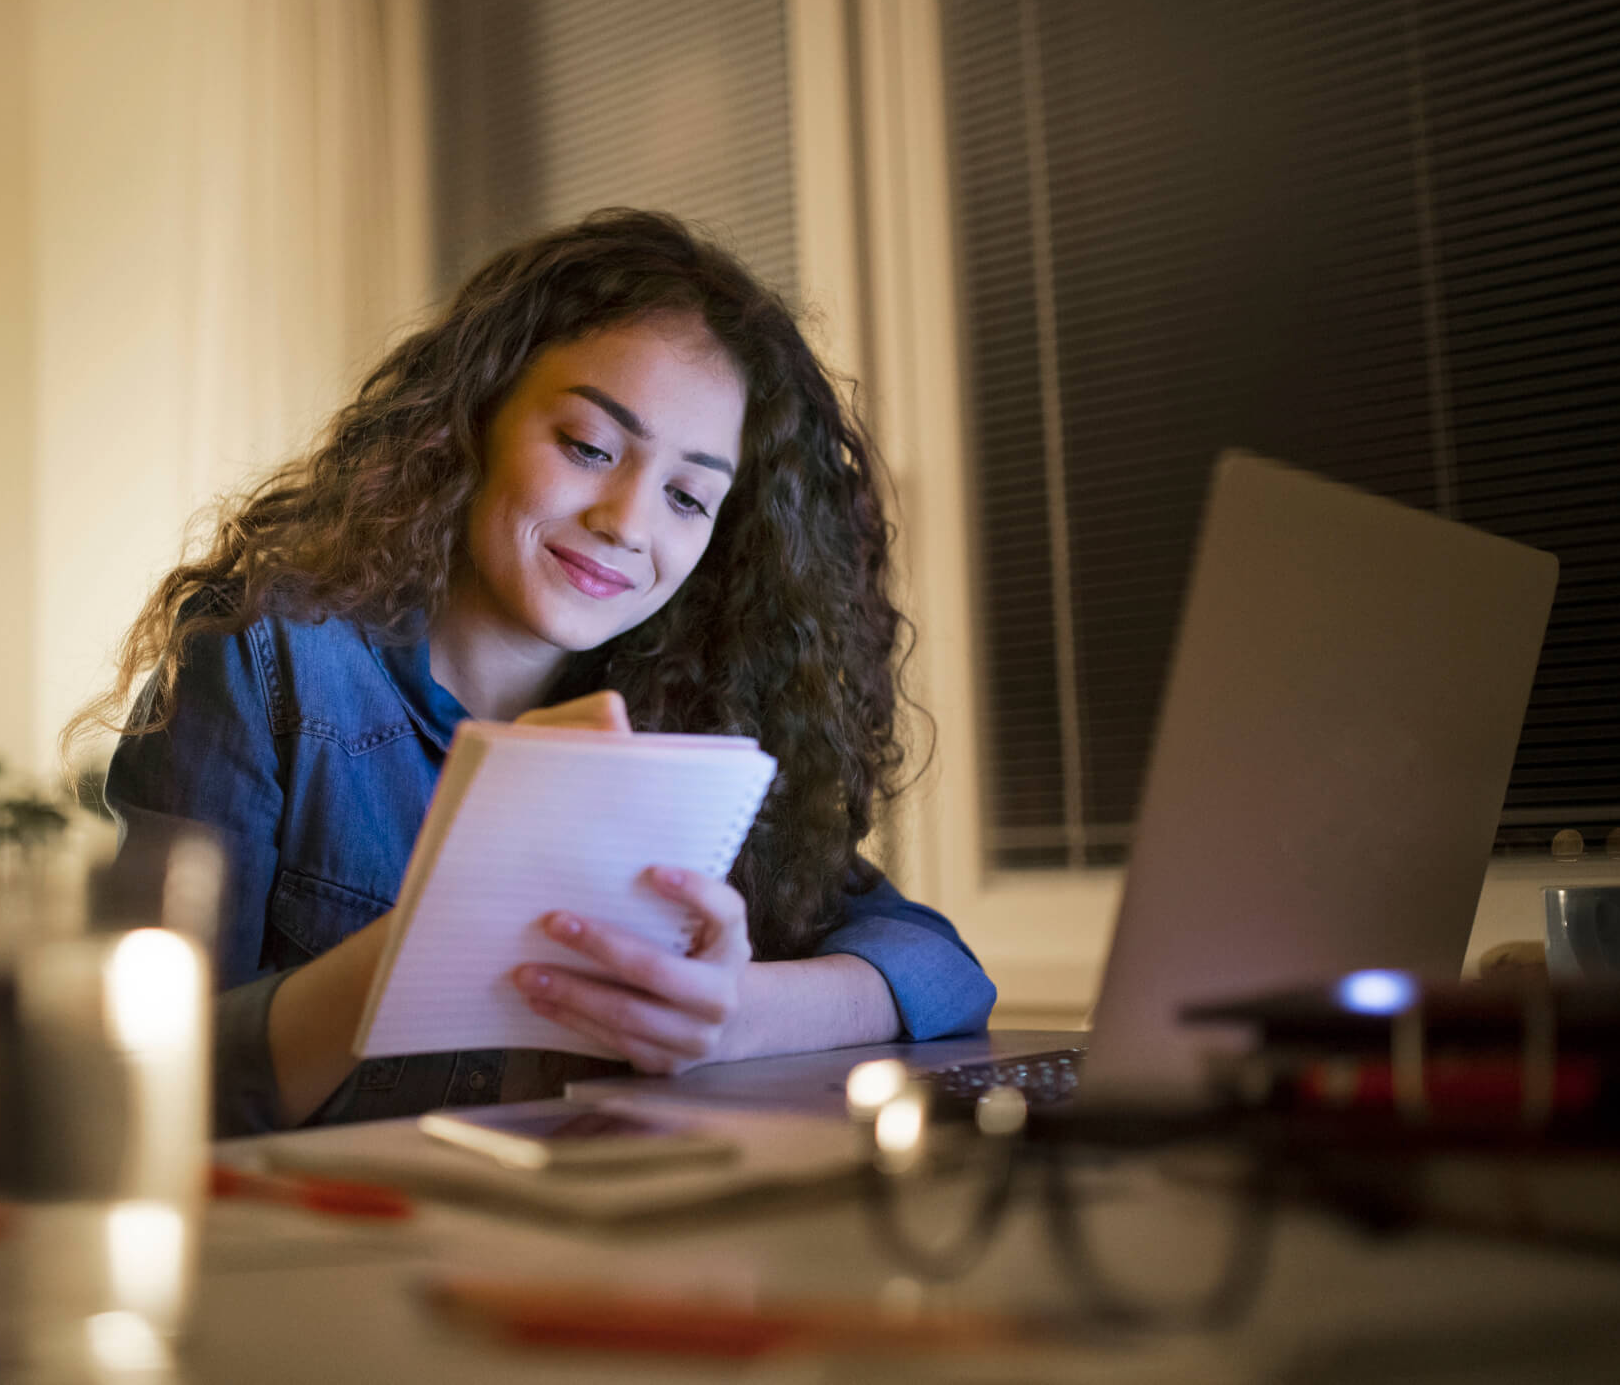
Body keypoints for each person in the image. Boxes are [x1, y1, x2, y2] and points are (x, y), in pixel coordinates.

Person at [70, 209, 995, 1137]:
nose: (628, 523)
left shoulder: (689, 726)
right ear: (471, 420)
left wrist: (730, 1013)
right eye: (589, 447)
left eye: (687, 496)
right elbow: (136, 1082)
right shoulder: (265, 660)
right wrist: (444, 931)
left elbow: (938, 966)